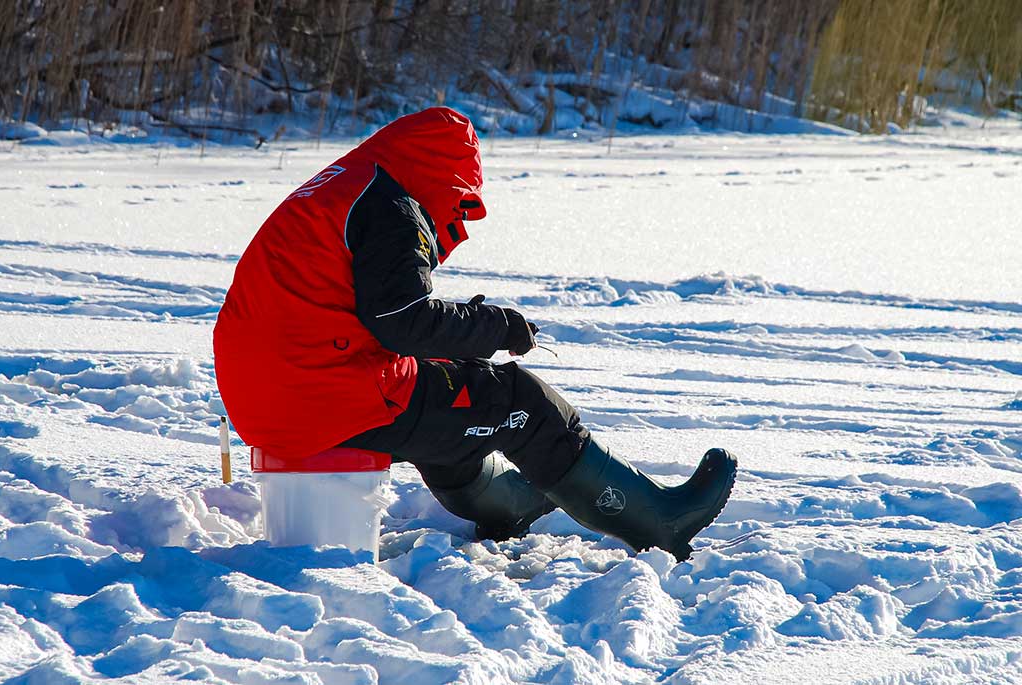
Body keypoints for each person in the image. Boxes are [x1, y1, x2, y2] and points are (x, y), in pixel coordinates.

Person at [214, 107, 737, 560]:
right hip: (325, 394)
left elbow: (375, 317)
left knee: (449, 390)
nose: (457, 222)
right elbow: (404, 321)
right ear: (446, 181)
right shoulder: (392, 207)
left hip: (269, 396)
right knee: (517, 400)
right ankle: (658, 522)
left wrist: (465, 341)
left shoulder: (348, 185)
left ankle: (504, 503)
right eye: (461, 206)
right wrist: (496, 326)